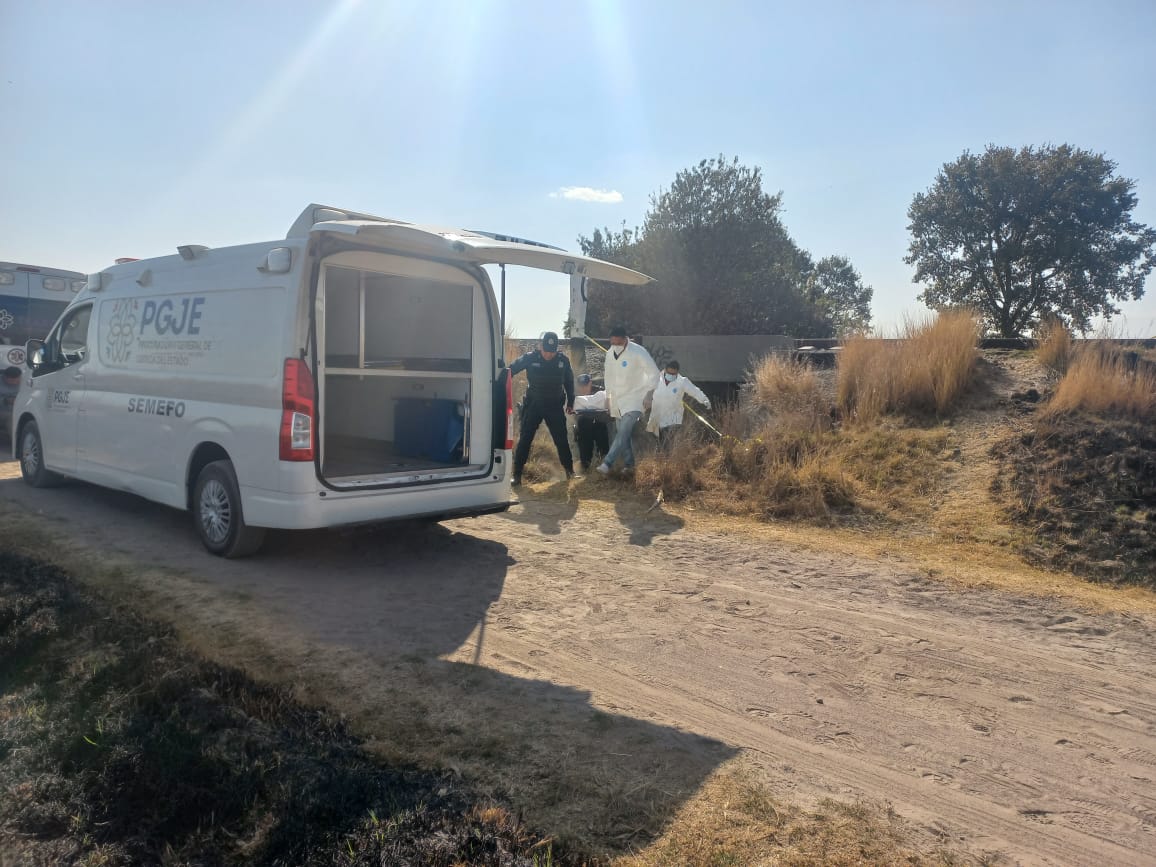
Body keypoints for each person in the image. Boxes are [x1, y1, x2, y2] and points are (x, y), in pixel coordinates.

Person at [508, 331, 575, 485]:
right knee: (525, 438)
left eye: (552, 352)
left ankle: (570, 472)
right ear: (540, 347)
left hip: (554, 405)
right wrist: (500, 384)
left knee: (561, 439)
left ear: (556, 350)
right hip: (534, 404)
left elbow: (569, 382)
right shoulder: (530, 357)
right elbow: (511, 370)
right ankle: (517, 475)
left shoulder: (563, 360)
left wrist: (571, 402)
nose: (548, 355)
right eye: (546, 351)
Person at [597, 325, 659, 476]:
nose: (615, 346)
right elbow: (609, 377)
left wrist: (650, 394)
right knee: (622, 433)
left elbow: (655, 373)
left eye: (618, 343)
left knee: (624, 429)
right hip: (618, 400)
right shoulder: (610, 353)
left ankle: (607, 463)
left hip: (636, 399)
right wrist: (608, 398)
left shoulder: (638, 352)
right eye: (612, 343)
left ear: (626, 340)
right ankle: (630, 465)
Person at [646, 359, 711, 450]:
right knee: (659, 443)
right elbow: (644, 390)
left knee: (667, 442)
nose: (671, 376)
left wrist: (704, 400)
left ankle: (667, 460)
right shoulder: (656, 379)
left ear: (677, 372)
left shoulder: (682, 382)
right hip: (657, 416)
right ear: (665, 370)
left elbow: (695, 391)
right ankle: (661, 460)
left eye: (673, 374)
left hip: (673, 418)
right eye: (669, 373)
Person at [572, 373, 610, 472]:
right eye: (581, 386)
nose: (584, 388)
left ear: (590, 383)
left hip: (599, 422)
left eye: (586, 385)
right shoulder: (574, 395)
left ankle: (603, 466)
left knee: (603, 447)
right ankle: (585, 468)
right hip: (583, 424)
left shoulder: (600, 392)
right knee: (584, 448)